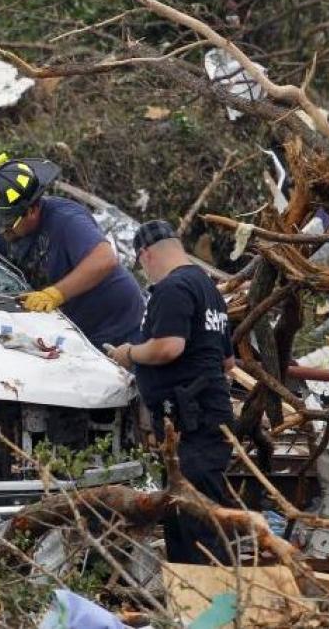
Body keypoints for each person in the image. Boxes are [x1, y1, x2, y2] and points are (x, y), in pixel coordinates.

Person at [105, 220, 235, 564]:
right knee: (189, 517)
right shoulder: (208, 288)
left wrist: (128, 353)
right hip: (205, 422)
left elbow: (168, 347)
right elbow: (227, 362)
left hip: (192, 424)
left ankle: (207, 607)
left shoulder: (172, 288)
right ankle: (191, 603)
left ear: (146, 255)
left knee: (196, 527)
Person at [0, 154, 144, 348]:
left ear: (32, 211)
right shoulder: (3, 230)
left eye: (7, 223)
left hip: (113, 320)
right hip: (68, 326)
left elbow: (105, 259)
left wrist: (54, 295)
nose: (3, 230)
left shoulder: (65, 219)